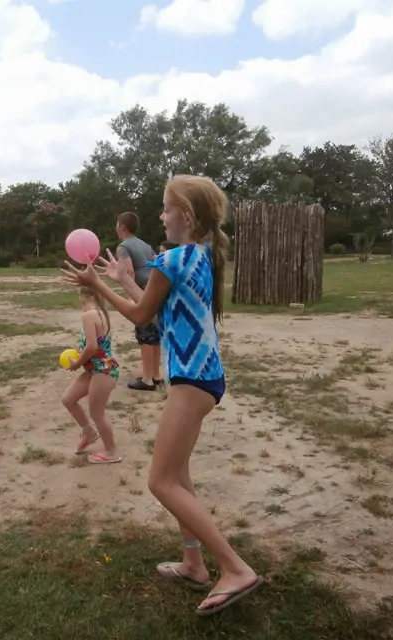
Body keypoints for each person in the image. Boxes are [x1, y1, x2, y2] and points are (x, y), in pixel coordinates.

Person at [61, 175, 263, 616]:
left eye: (166, 208)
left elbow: (138, 314)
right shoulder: (200, 256)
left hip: (192, 381)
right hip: (204, 378)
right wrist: (121, 278)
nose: (161, 215)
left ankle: (233, 567)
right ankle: (193, 564)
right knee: (179, 474)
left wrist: (97, 285)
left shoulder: (172, 259)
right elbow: (153, 305)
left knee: (160, 481)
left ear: (185, 216)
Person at [60, 287, 121, 464]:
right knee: (68, 399)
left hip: (103, 370)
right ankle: (89, 432)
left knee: (97, 413)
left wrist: (76, 363)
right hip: (94, 369)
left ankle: (111, 452)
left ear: (82, 297)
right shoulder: (101, 312)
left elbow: (92, 346)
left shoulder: (89, 315)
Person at [115, 212, 162, 392]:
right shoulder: (145, 244)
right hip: (155, 289)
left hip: (141, 290)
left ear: (122, 227)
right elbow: (157, 263)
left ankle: (147, 379)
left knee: (144, 335)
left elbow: (129, 271)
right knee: (156, 333)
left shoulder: (123, 247)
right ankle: (157, 375)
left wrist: (131, 296)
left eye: (117, 224)